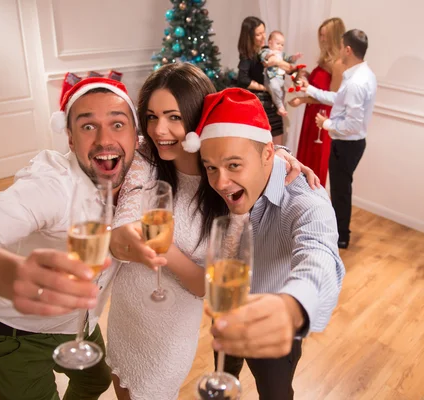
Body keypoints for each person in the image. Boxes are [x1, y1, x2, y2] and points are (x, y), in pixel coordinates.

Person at [103, 63, 321, 400]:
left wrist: (164, 250)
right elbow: (121, 232)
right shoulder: (145, 157)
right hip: (126, 314)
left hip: (169, 334)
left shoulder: (226, 189)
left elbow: (207, 285)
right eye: (152, 116)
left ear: (197, 120)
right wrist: (124, 237)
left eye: (174, 117)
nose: (160, 130)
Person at [0, 76, 140, 400]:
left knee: (95, 381)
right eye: (88, 126)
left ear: (136, 136)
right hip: (11, 333)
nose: (105, 139)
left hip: (79, 324)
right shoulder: (52, 186)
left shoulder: (140, 180)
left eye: (117, 124)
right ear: (69, 138)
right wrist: (11, 276)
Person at [183, 87, 345, 400]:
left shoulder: (305, 200)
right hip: (226, 305)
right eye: (211, 168)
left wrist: (291, 308)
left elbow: (321, 256)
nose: (219, 183)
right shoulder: (232, 174)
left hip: (274, 323)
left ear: (268, 154)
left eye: (233, 165)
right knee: (222, 374)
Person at [302, 29, 377, 249]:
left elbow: (351, 124)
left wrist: (326, 124)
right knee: (341, 190)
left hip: (347, 145)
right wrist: (313, 90)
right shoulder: (363, 74)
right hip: (353, 143)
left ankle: (340, 236)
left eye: (342, 47)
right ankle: (339, 232)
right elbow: (339, 99)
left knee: (340, 192)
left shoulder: (356, 82)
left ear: (348, 49)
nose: (339, 53)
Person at [289, 17, 346, 187]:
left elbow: (332, 98)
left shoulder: (337, 64)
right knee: (305, 158)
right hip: (312, 114)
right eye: (320, 35)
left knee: (316, 160)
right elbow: (317, 87)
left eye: (325, 36)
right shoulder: (325, 61)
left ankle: (313, 200)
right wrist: (305, 76)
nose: (321, 40)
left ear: (334, 37)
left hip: (322, 117)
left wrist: (302, 100)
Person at [237, 16, 294, 146]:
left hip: (274, 103)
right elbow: (242, 80)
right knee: (262, 143)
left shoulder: (269, 50)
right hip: (260, 103)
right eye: (258, 34)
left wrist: (280, 62)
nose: (263, 37)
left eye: (264, 32)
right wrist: (265, 88)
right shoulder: (247, 56)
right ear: (249, 36)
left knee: (278, 143)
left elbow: (290, 70)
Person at [259, 30, 302, 117]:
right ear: (270, 43)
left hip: (280, 79)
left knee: (282, 93)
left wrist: (294, 57)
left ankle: (279, 107)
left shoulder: (282, 54)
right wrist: (270, 55)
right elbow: (263, 57)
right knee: (275, 89)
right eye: (278, 43)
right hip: (271, 78)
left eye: (282, 45)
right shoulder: (267, 51)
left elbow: (289, 59)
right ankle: (280, 107)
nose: (280, 46)